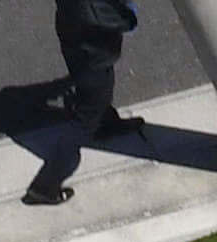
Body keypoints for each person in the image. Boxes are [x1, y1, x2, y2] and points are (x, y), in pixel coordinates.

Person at [25, 0, 143, 208]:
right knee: (85, 118)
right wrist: (128, 14)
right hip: (91, 47)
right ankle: (44, 186)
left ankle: (105, 124)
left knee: (100, 85)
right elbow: (117, 20)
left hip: (76, 36)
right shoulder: (95, 11)